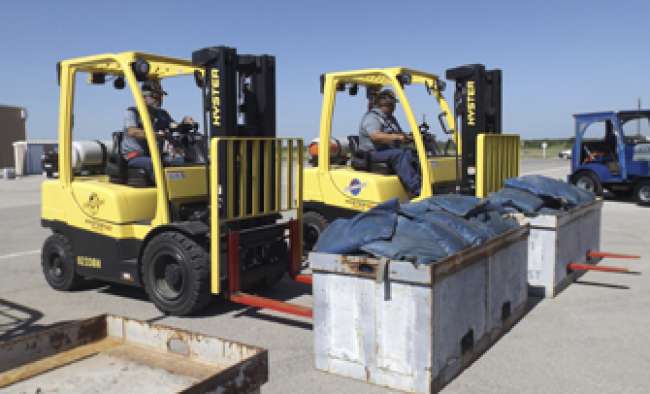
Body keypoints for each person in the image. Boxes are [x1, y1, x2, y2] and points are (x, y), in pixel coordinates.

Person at [121, 80, 194, 179]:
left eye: (161, 96)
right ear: (143, 98)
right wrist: (156, 135)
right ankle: (162, 192)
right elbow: (133, 132)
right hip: (135, 156)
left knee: (183, 161)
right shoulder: (132, 112)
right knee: (155, 164)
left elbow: (174, 127)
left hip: (155, 155)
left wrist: (184, 123)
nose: (160, 100)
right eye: (155, 96)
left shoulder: (162, 114)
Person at [358, 89, 421, 196]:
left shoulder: (390, 118)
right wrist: (397, 137)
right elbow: (375, 136)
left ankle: (422, 182)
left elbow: (399, 133)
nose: (394, 107)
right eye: (393, 104)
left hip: (386, 151)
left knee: (411, 153)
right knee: (399, 155)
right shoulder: (372, 117)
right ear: (386, 104)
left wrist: (410, 137)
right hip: (372, 153)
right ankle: (416, 189)